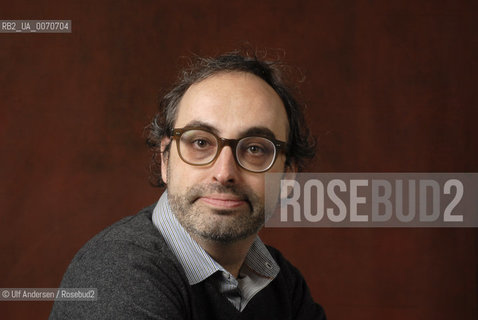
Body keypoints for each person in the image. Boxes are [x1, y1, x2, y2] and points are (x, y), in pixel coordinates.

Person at [49, 50, 326, 319]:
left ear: (287, 177)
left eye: (254, 149)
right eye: (201, 142)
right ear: (165, 161)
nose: (224, 172)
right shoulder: (115, 271)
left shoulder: (283, 284)